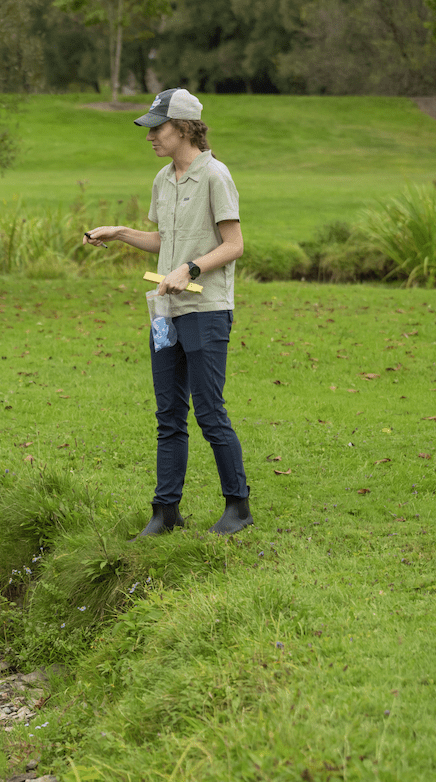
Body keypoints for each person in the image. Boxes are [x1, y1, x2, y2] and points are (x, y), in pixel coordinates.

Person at [85, 87, 253, 538]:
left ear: (183, 128)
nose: (150, 136)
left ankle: (238, 507)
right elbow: (165, 240)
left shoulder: (216, 176)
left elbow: (234, 245)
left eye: (157, 128)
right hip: (165, 310)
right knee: (168, 414)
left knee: (209, 411)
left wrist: (191, 268)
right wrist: (120, 232)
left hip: (206, 309)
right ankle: (166, 512)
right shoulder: (164, 179)